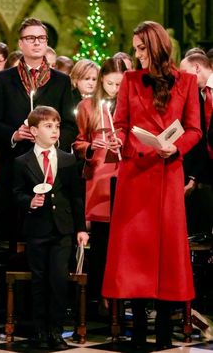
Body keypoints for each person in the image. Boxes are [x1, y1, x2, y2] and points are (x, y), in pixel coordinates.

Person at [102, 21, 202, 350]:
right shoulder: (130, 81)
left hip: (168, 176)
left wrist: (177, 147)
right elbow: (120, 125)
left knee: (166, 253)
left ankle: (162, 330)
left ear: (157, 48)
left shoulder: (186, 82)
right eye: (135, 48)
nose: (137, 54)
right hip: (136, 175)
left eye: (142, 48)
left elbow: (194, 129)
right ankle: (138, 331)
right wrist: (123, 141)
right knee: (135, 254)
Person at [0, 17, 77, 250]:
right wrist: (14, 135)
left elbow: (69, 125)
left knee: (50, 238)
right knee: (14, 237)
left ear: (46, 43)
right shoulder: (4, 80)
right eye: (30, 38)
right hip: (15, 167)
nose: (36, 43)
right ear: (21, 43)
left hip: (50, 168)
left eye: (41, 38)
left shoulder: (61, 81)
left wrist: (51, 141)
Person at [13, 105, 89, 350]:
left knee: (58, 280)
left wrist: (80, 228)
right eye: (48, 126)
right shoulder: (22, 161)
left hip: (62, 231)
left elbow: (76, 197)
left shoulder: (67, 160)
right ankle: (40, 330)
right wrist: (29, 202)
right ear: (34, 131)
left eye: (57, 126)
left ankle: (57, 330)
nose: (55, 130)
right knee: (40, 281)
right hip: (37, 229)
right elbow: (15, 193)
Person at [73, 57, 127, 308]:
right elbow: (77, 141)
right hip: (99, 177)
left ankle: (123, 292)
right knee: (102, 238)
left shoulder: (129, 106)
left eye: (119, 85)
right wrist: (90, 146)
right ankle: (100, 296)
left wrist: (124, 141)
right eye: (110, 84)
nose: (115, 90)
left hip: (125, 174)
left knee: (124, 237)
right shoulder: (87, 106)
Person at [180, 53, 213, 235]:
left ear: (197, 68)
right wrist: (194, 176)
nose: (183, 78)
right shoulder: (197, 97)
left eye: (185, 73)